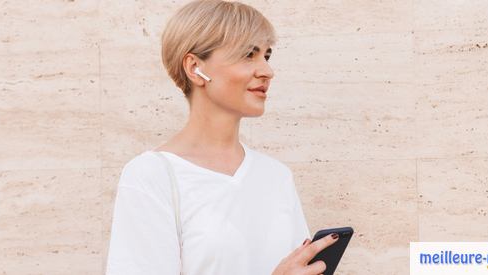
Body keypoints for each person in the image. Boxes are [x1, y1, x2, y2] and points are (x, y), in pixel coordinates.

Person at [105, 1, 338, 274]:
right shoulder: (152, 176)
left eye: (267, 56)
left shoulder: (275, 176)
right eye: (248, 55)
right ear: (195, 68)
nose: (266, 71)